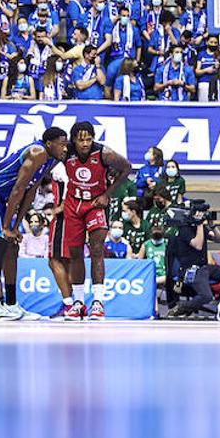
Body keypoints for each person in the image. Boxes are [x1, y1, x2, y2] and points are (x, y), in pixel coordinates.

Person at [0, 127, 71, 321]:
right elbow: (18, 189)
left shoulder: (52, 159)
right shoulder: (37, 152)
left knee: (12, 247)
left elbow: (30, 192)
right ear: (49, 144)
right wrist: (6, 227)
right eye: (62, 144)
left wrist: (15, 228)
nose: (65, 148)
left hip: (1, 196)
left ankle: (12, 305)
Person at [50, 121, 132, 321]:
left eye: (89, 139)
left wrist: (108, 193)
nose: (85, 143)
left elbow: (127, 168)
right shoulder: (64, 152)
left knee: (96, 250)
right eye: (81, 139)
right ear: (73, 140)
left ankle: (98, 301)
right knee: (75, 252)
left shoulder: (104, 154)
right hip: (73, 204)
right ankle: (78, 303)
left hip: (96, 203)